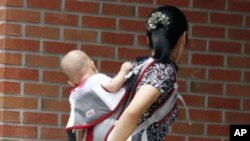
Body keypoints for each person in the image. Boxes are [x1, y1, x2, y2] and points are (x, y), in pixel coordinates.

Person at [108, 5, 188, 141]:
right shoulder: (162, 71)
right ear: (183, 38)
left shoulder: (139, 65)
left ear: (148, 38)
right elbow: (132, 112)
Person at [60, 50, 133, 141]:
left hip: (90, 135)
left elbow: (74, 122)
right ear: (93, 65)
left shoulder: (75, 95)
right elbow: (112, 86)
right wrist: (123, 71)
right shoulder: (97, 79)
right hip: (109, 130)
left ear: (71, 82)